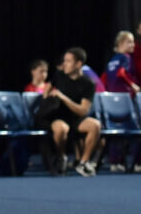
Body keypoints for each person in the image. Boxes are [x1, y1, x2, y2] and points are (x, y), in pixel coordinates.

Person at [38, 47, 101, 177]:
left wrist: (63, 98)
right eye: (64, 61)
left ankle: (83, 162)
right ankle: (62, 158)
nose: (64, 64)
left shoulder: (88, 84)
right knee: (61, 128)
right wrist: (49, 98)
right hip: (57, 116)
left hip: (75, 117)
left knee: (95, 125)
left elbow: (83, 111)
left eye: (68, 61)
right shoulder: (58, 75)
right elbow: (46, 92)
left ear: (78, 64)